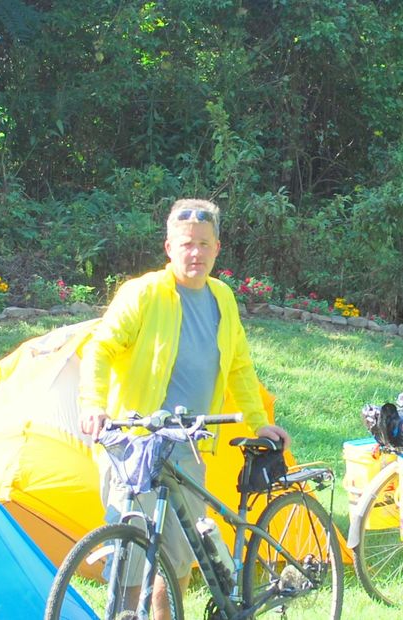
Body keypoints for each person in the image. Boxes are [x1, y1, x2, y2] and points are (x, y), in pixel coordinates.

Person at [78, 198, 291, 616]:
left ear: (217, 248)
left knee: (177, 558)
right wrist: (93, 404)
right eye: (186, 243)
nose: (195, 253)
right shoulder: (144, 293)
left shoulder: (222, 297)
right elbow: (100, 350)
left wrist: (260, 422)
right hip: (136, 446)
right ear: (169, 248)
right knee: (130, 558)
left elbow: (239, 367)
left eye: (204, 244)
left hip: (190, 447)